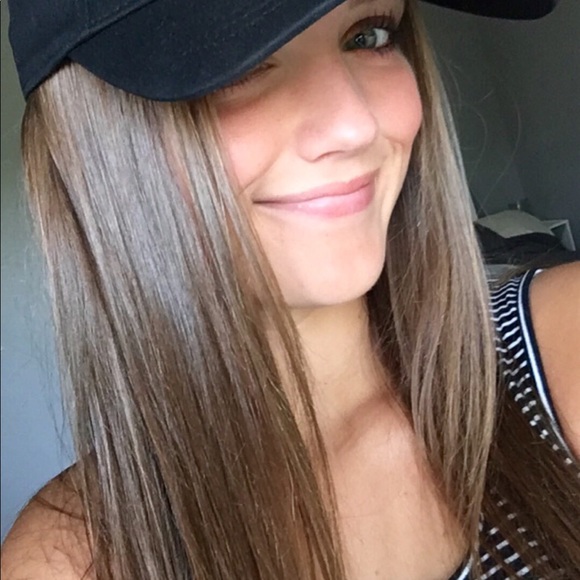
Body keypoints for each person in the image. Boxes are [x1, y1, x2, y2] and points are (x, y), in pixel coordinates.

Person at [1, 0, 579, 578]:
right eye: (238, 62)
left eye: (369, 36)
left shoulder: (563, 350)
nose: (355, 124)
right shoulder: (76, 561)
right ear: (89, 145)